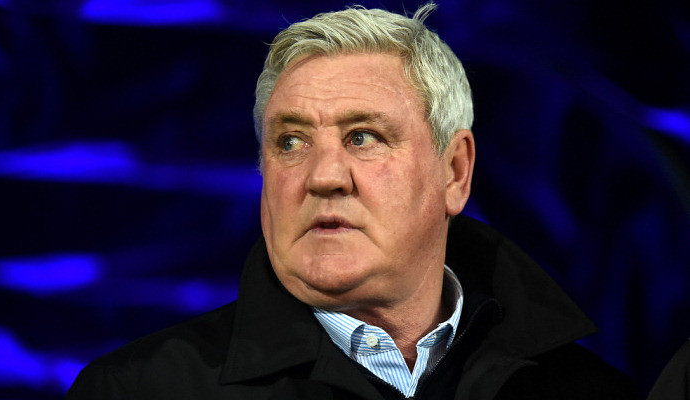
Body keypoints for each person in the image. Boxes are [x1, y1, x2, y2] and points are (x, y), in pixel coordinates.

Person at [66, 4, 641, 399]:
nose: (323, 176)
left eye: (363, 137)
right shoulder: (136, 390)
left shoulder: (591, 394)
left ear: (455, 171)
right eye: (291, 142)